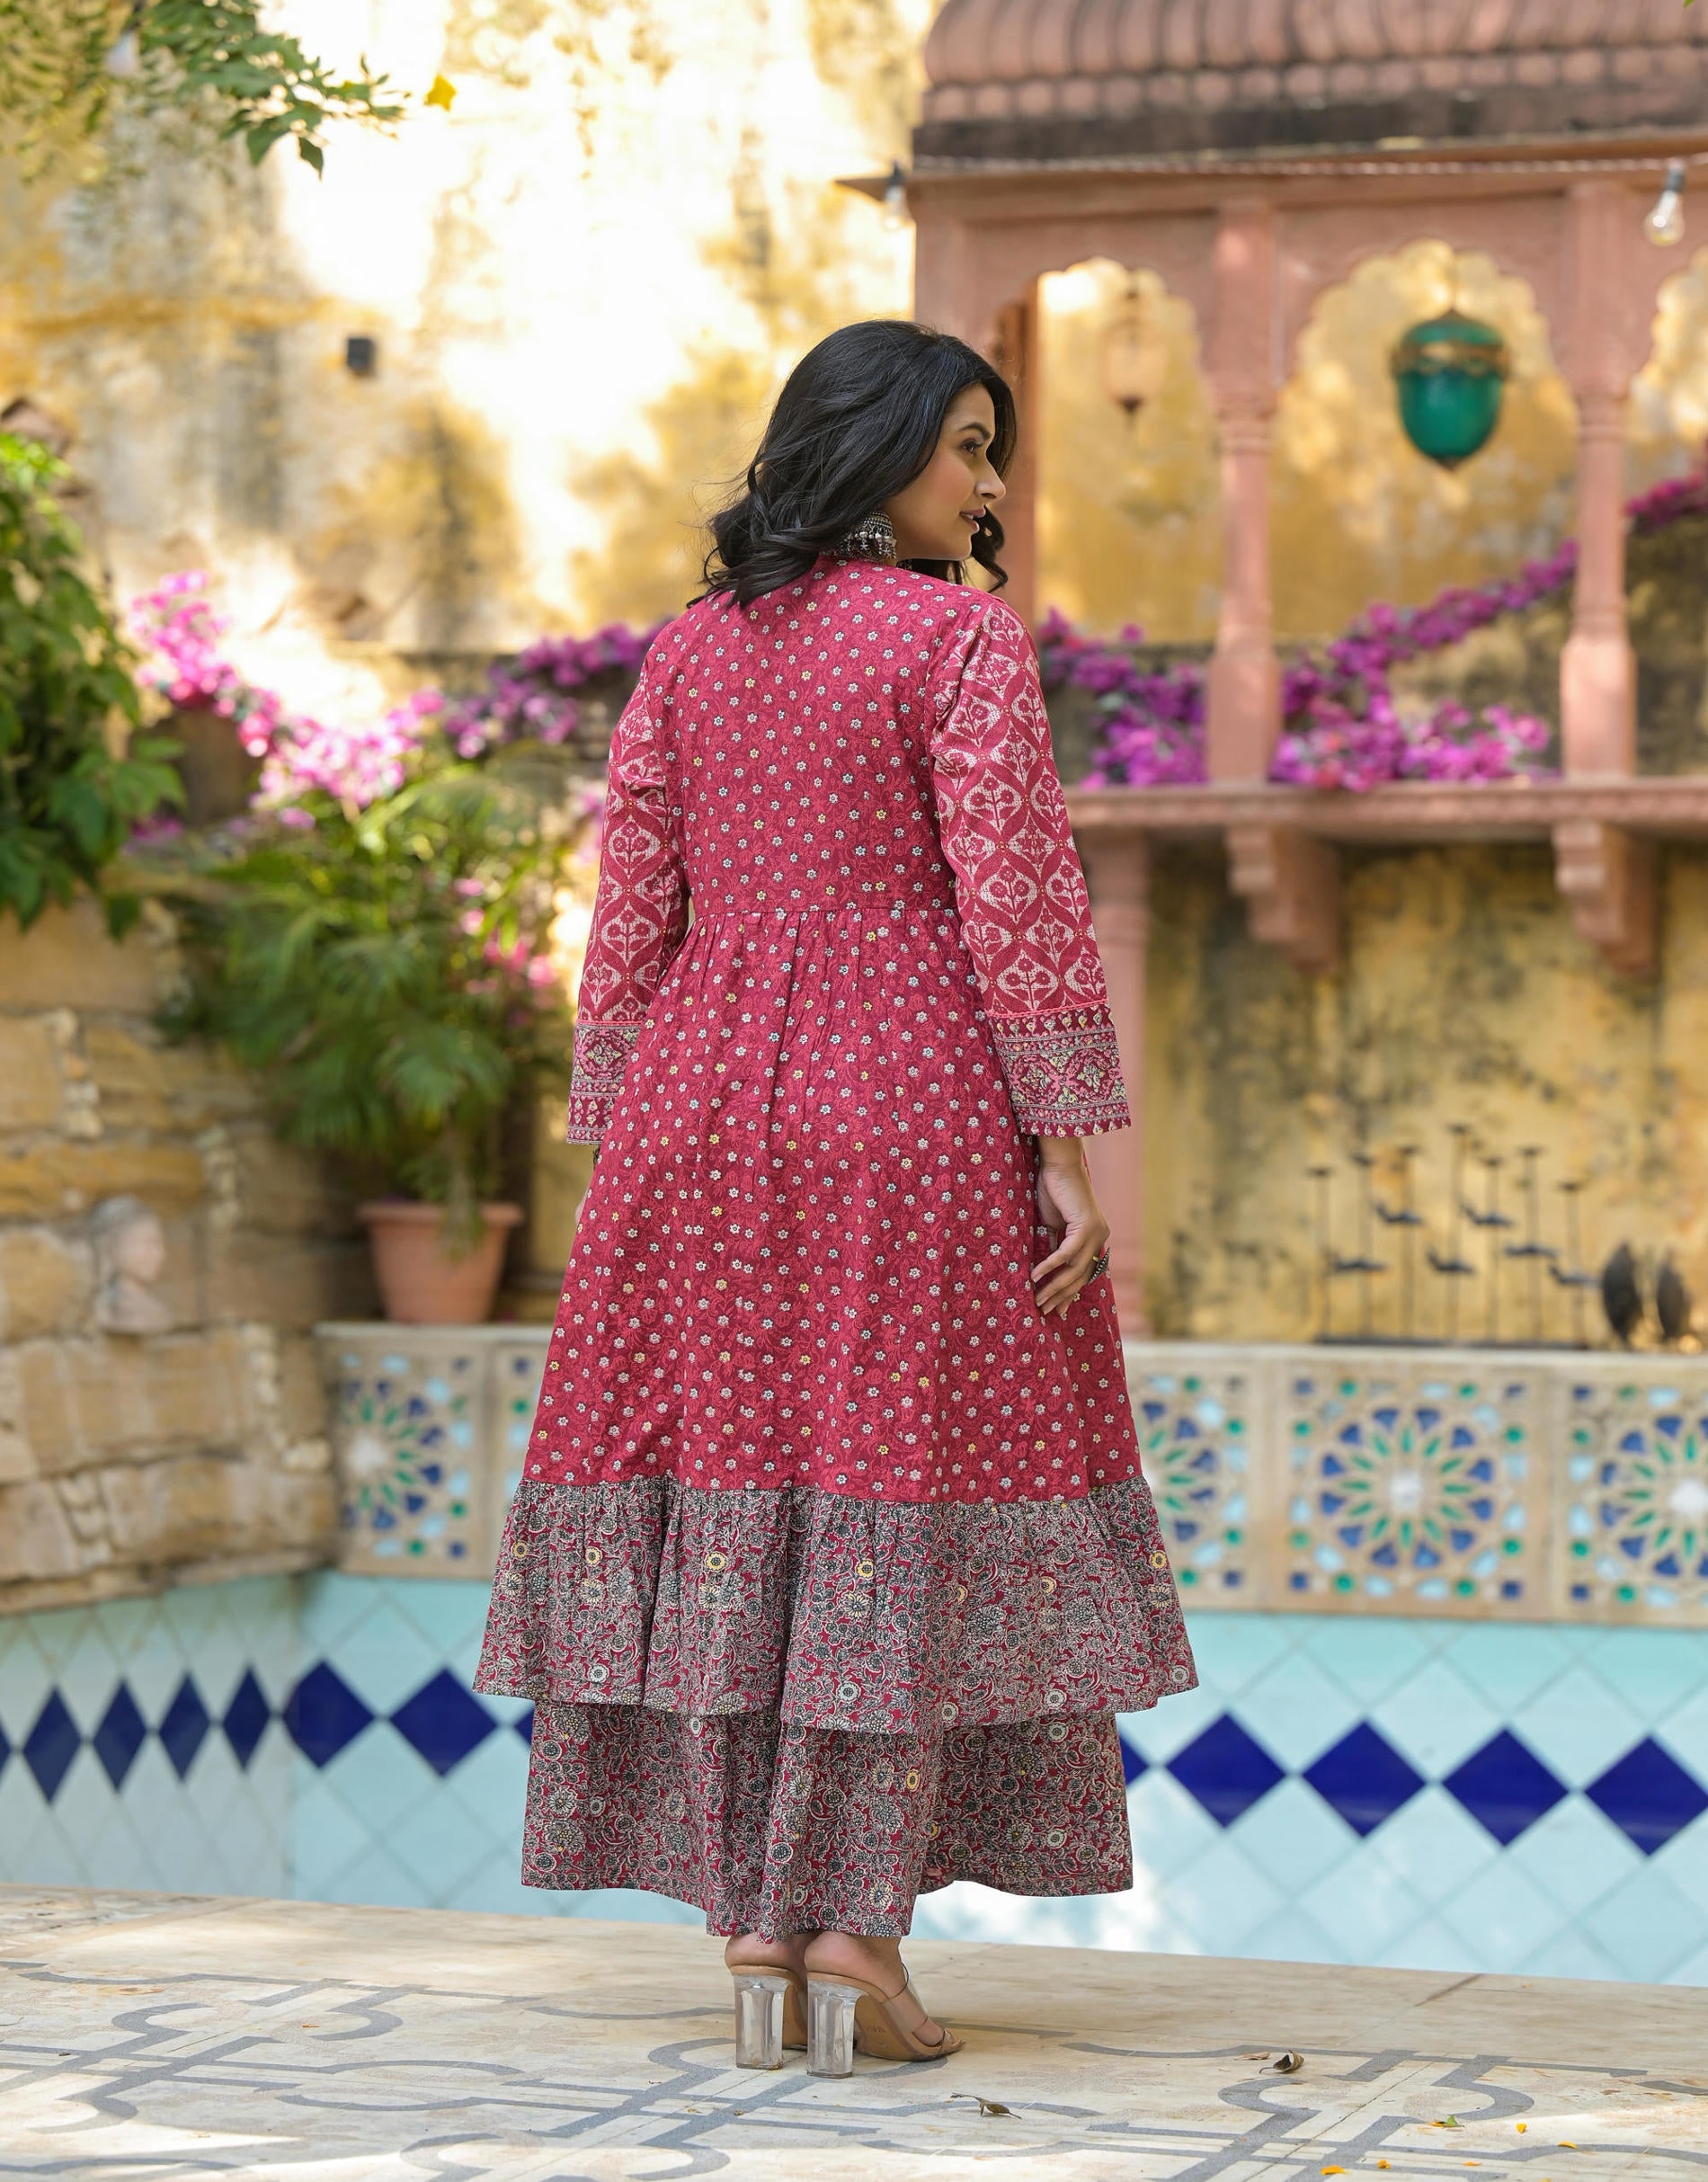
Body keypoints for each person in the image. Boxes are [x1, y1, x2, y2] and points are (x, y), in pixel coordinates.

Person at [476, 318, 1197, 2076]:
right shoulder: (956, 638)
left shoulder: (687, 648)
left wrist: (617, 1136)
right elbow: (1014, 893)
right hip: (910, 1101)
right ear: (873, 448)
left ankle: (751, 1918)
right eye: (966, 446)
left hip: (698, 1113)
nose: (989, 485)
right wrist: (1065, 1139)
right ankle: (852, 1928)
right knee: (890, 1499)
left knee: (745, 1498)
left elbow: (631, 908)